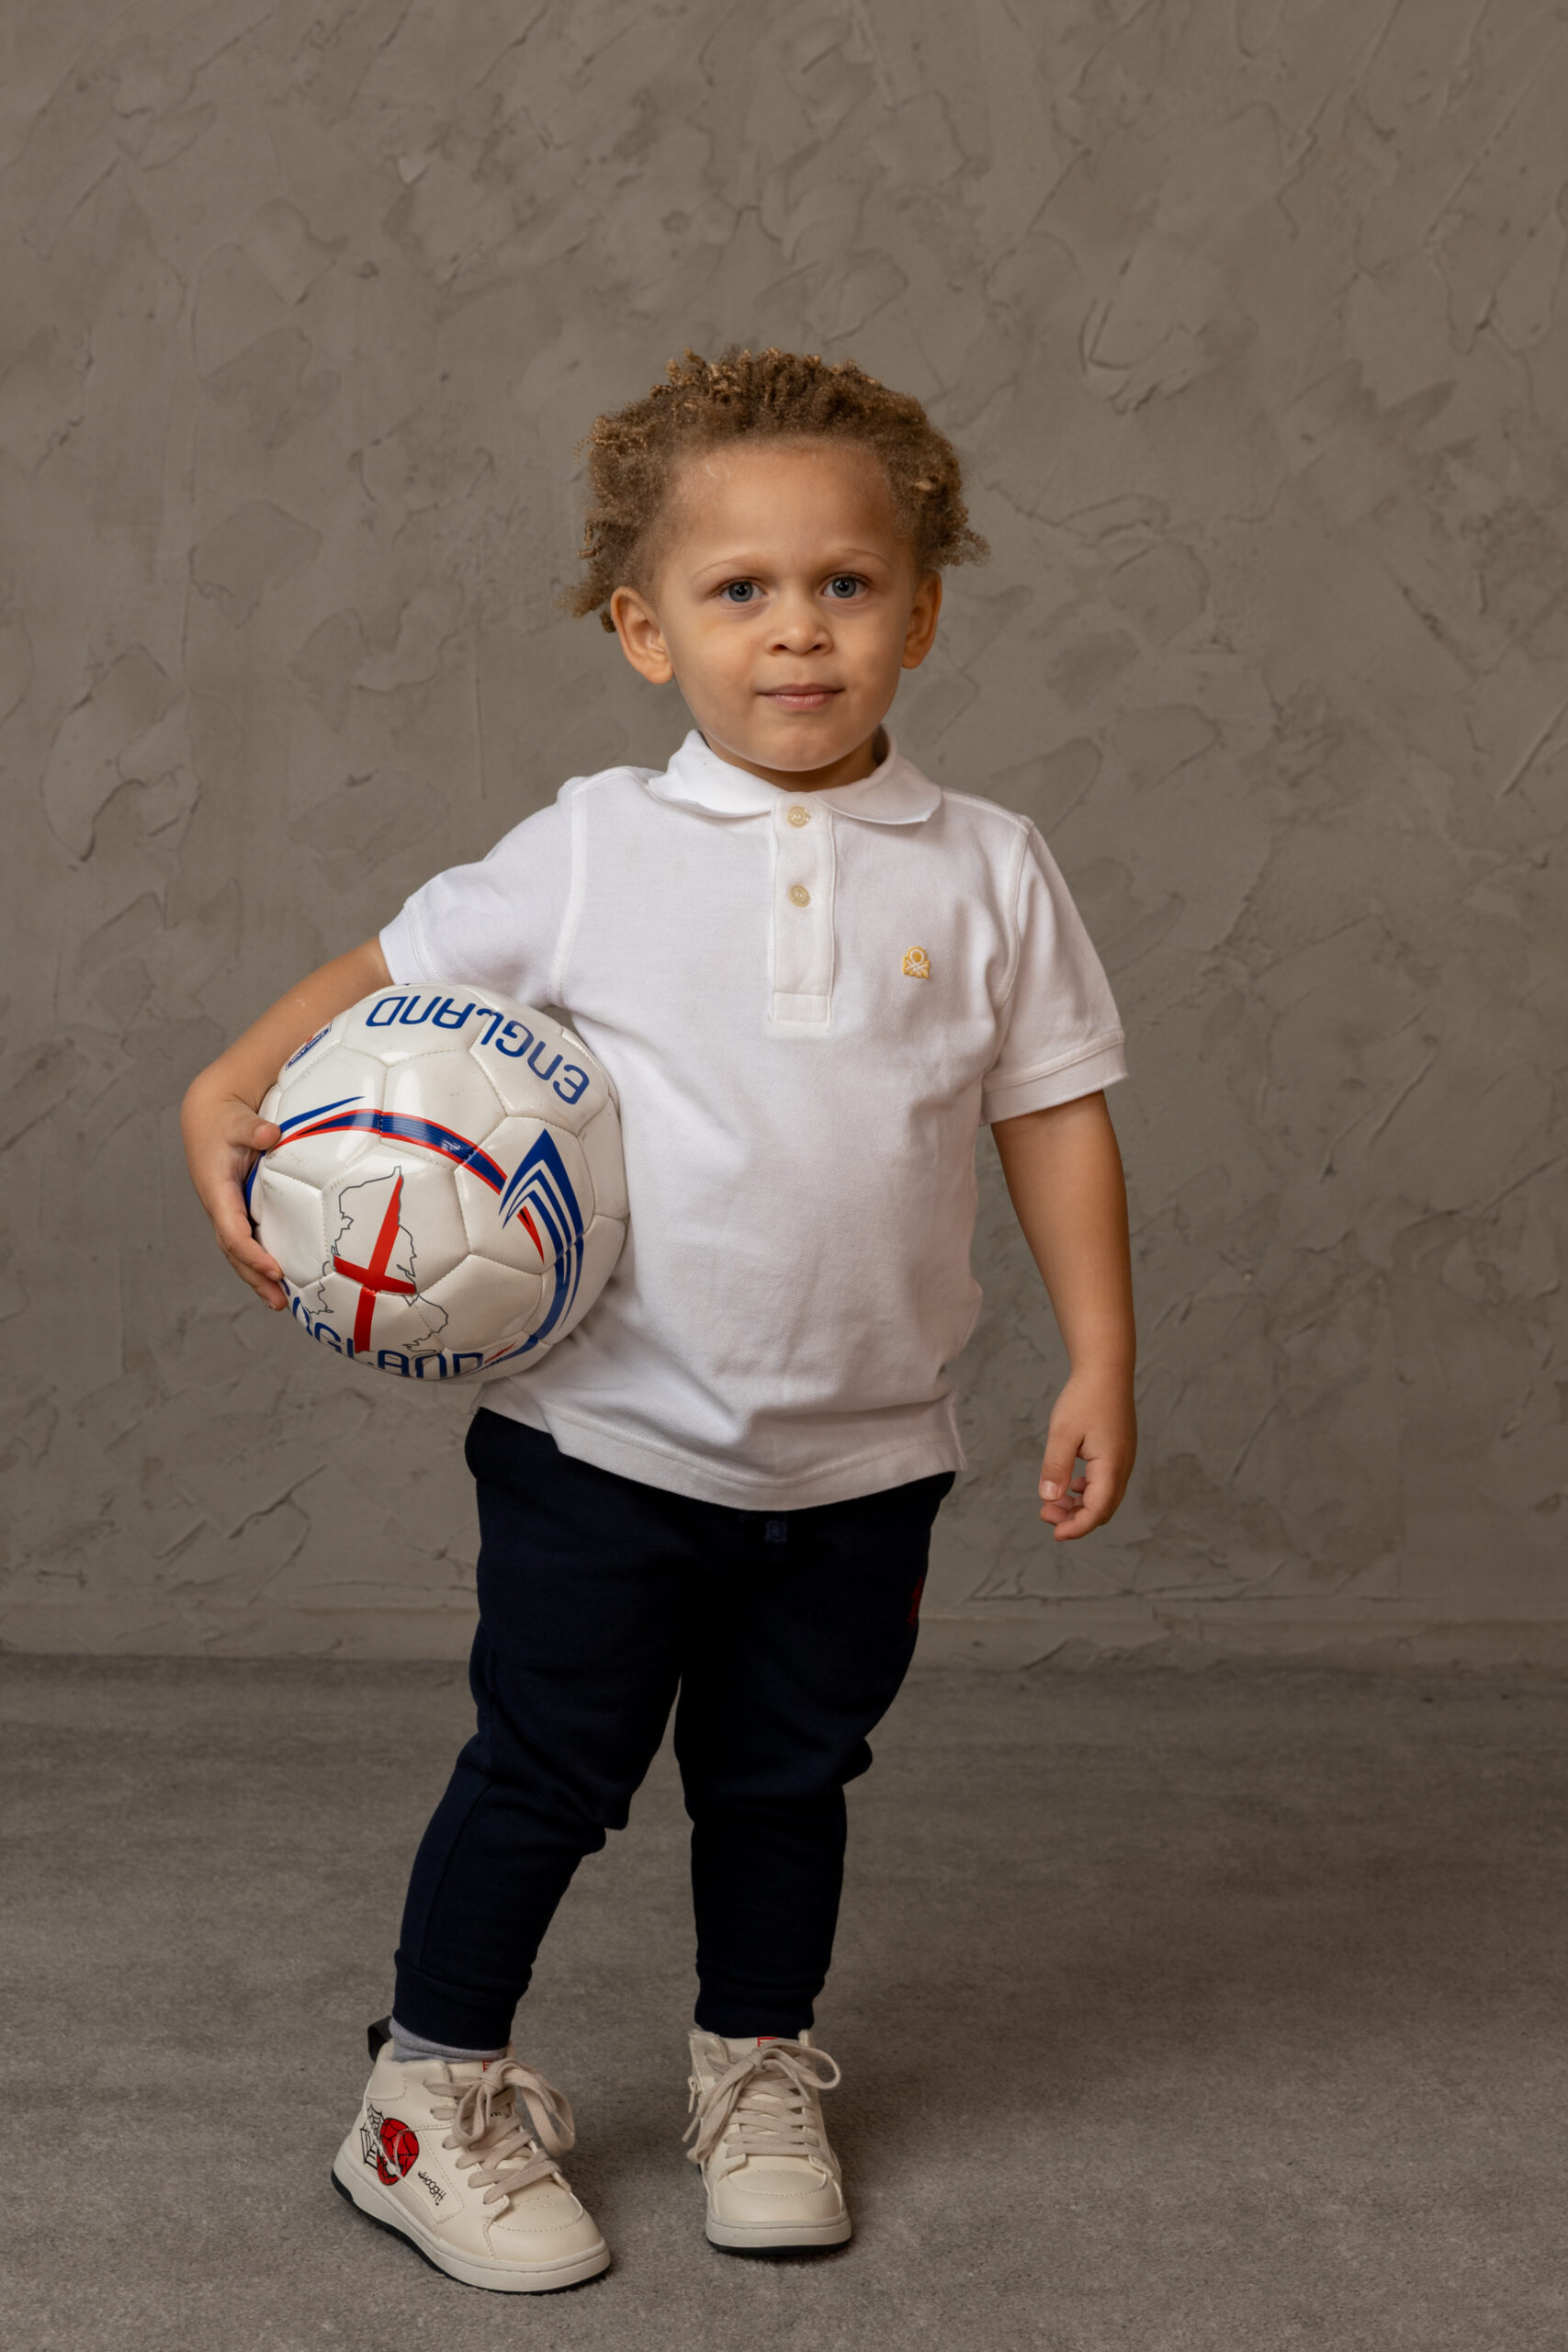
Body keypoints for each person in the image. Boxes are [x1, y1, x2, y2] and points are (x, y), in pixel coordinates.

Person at [181, 347, 1137, 2292]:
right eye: (738, 589)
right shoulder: (593, 847)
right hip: (599, 1446)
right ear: (644, 630)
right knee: (545, 1771)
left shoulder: (989, 865)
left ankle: (756, 2073)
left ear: (919, 613)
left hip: (865, 1456)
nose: (797, 628)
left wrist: (1103, 1352)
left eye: (846, 584)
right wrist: (224, 1081)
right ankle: (424, 2096)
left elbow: (1051, 1113)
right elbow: (384, 964)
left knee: (785, 1783)